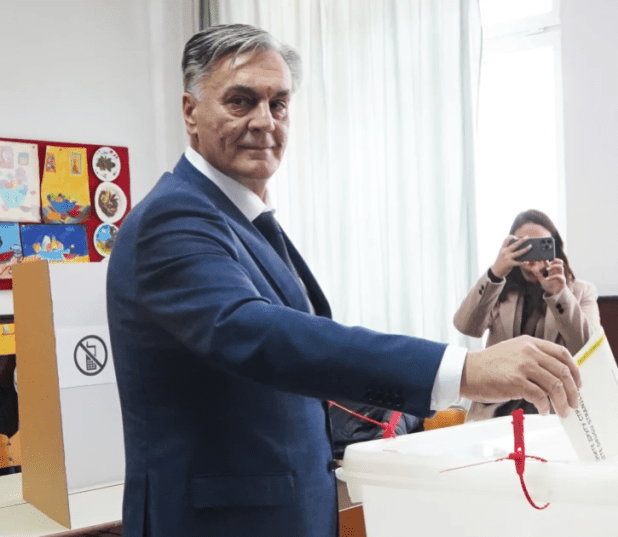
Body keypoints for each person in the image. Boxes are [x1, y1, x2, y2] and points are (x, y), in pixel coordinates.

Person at [106, 24, 581, 537]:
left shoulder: (244, 220)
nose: (264, 122)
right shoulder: (173, 218)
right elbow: (257, 334)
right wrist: (462, 370)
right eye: (240, 101)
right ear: (190, 111)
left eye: (279, 104)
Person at [454, 210, 599, 421]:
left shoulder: (580, 291)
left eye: (541, 245)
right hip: (495, 410)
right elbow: (465, 325)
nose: (533, 253)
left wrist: (558, 293)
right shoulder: (497, 289)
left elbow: (589, 348)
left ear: (554, 247)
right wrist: (495, 272)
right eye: (525, 246)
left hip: (553, 410)